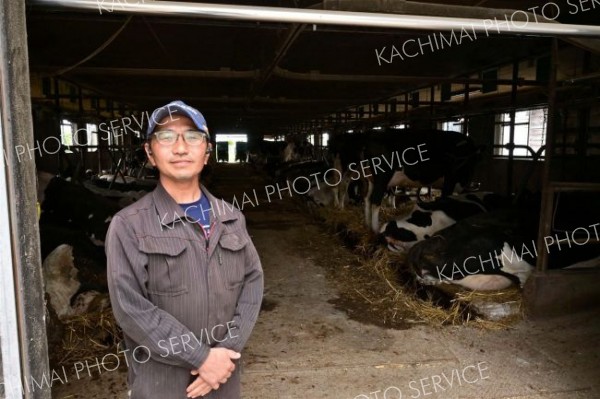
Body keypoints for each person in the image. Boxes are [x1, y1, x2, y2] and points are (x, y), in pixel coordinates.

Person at [106, 100, 264, 399]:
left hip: (223, 378)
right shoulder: (129, 225)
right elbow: (130, 308)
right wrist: (202, 358)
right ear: (150, 153)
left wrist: (226, 351)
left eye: (192, 136)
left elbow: (253, 285)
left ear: (206, 152)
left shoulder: (231, 217)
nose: (180, 148)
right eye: (166, 137)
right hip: (161, 384)